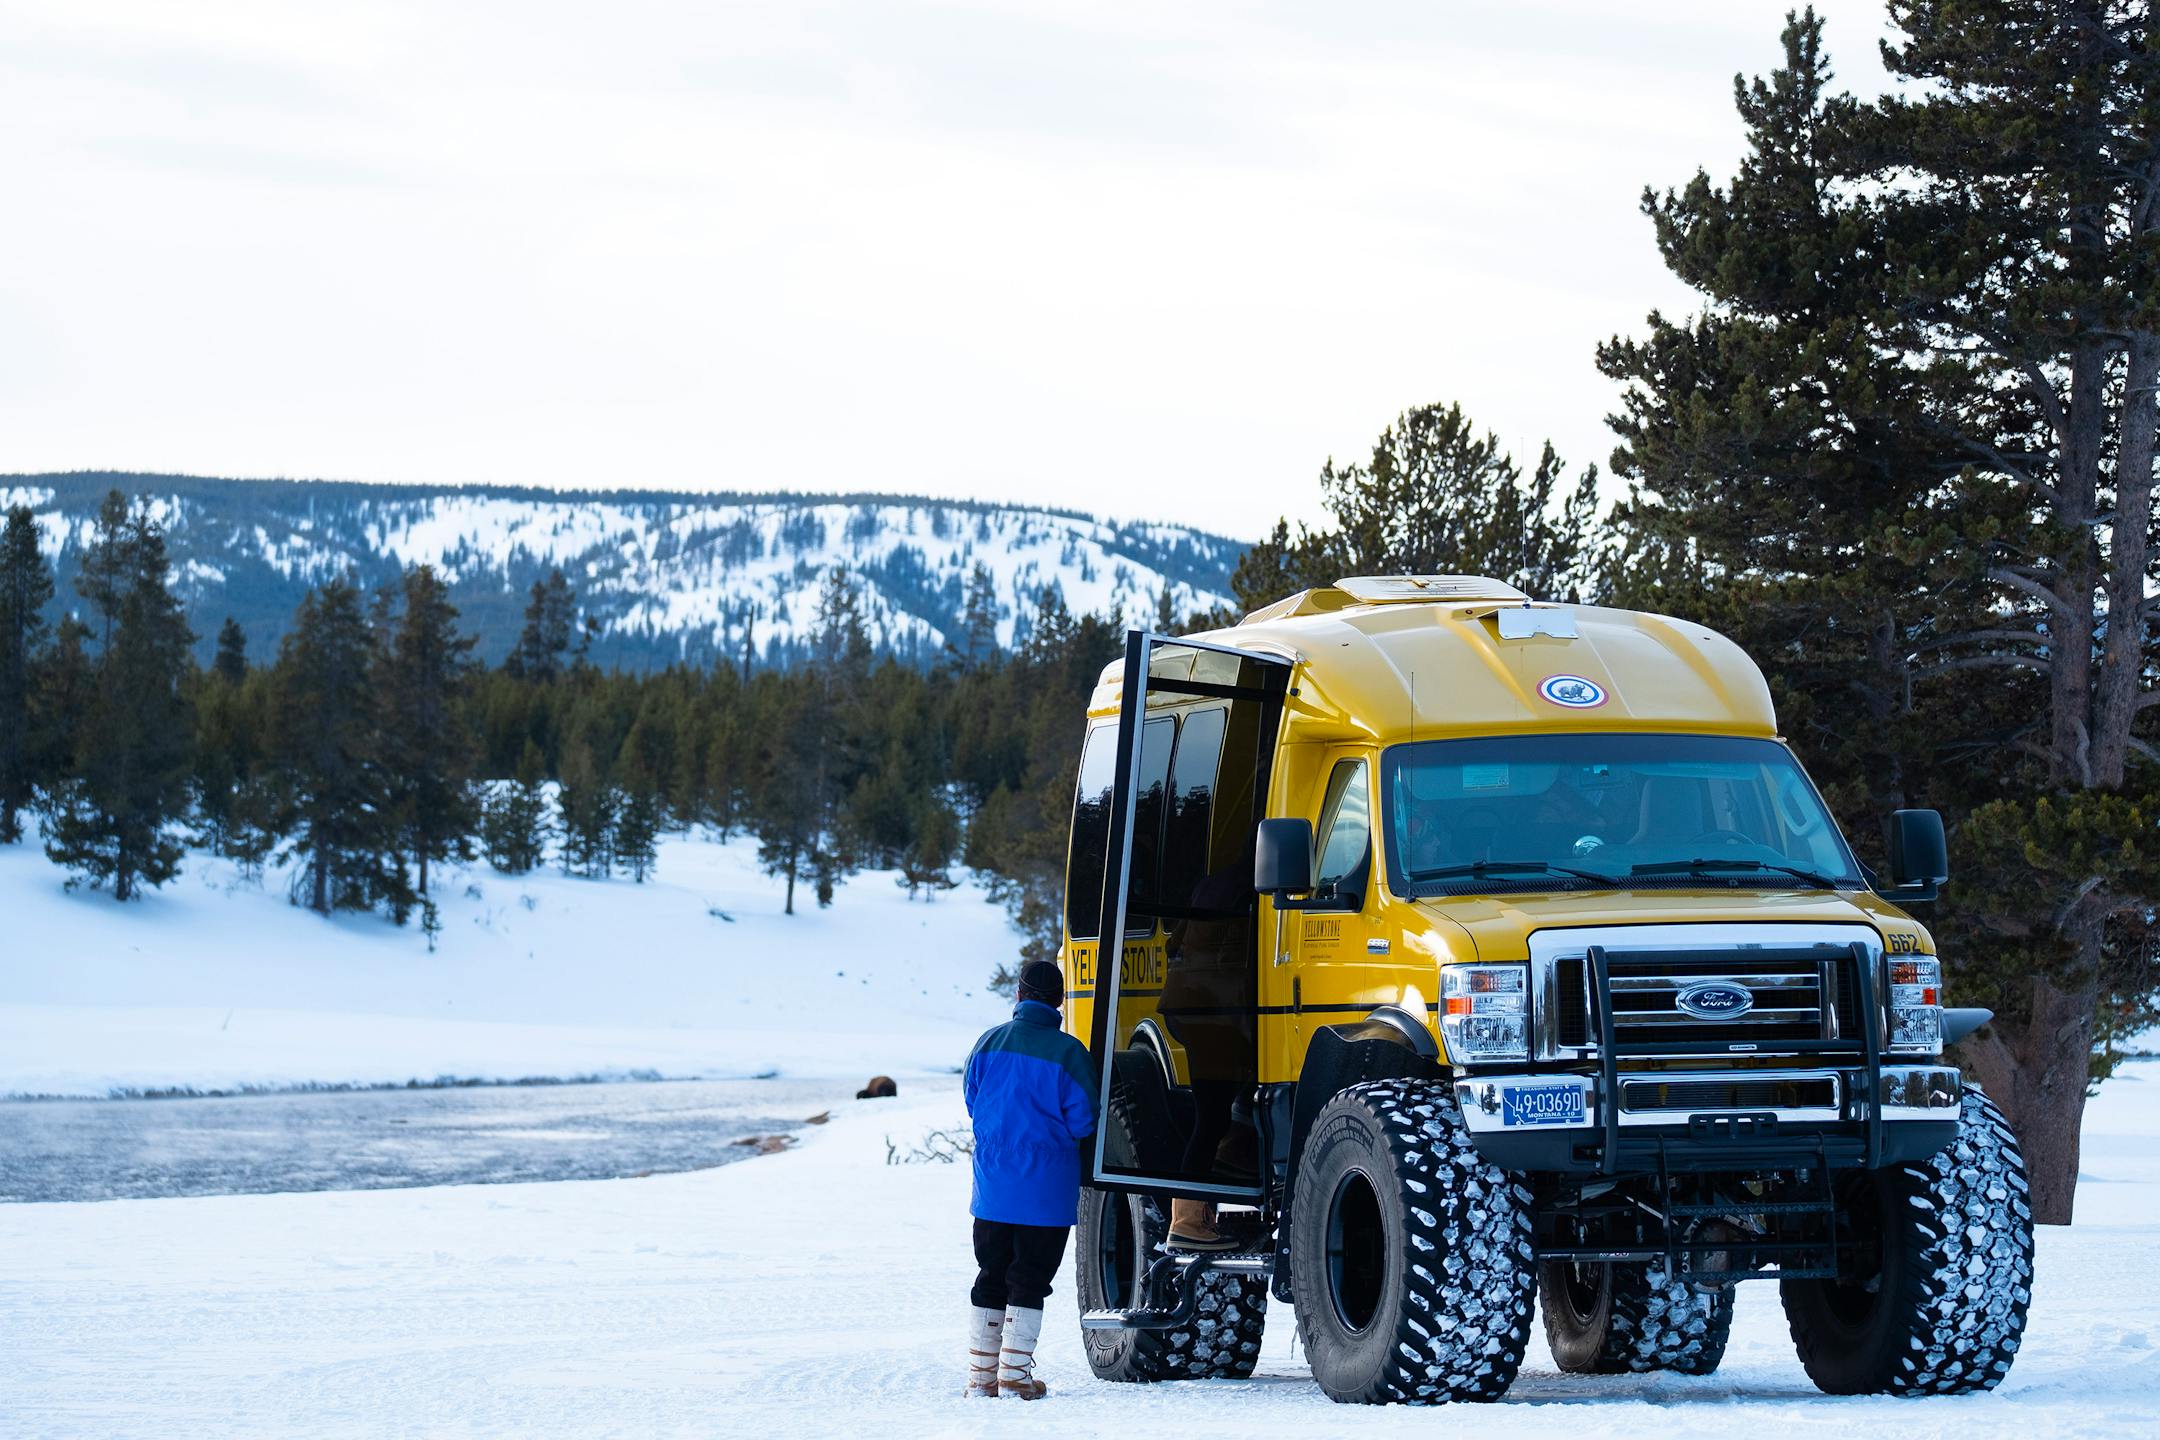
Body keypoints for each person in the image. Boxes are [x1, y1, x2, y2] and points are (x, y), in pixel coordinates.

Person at [962, 959, 1098, 1401]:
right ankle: (1015, 1375)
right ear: (1059, 1001)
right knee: (1030, 1278)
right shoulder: (1070, 1052)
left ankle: (980, 1378)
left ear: (1018, 996)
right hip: (1046, 1191)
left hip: (993, 1189)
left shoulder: (987, 1043)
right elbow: (1083, 1120)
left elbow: (972, 1099)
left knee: (990, 1274)